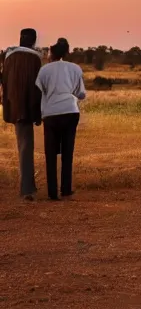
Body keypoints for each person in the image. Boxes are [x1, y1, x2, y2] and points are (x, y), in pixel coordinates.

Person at [35, 38, 86, 201]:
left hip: (51, 113)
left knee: (50, 153)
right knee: (67, 152)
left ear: (51, 53)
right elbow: (81, 94)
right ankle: (66, 189)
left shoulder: (44, 70)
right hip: (70, 112)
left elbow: (39, 90)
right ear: (66, 53)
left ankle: (52, 192)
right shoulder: (75, 69)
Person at [1, 28, 42, 201]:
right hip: (27, 107)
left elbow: (4, 81)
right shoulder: (35, 58)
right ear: (34, 41)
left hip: (13, 105)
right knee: (26, 147)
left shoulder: (9, 56)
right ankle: (27, 189)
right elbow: (37, 87)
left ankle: (28, 187)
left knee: (23, 146)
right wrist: (38, 112)